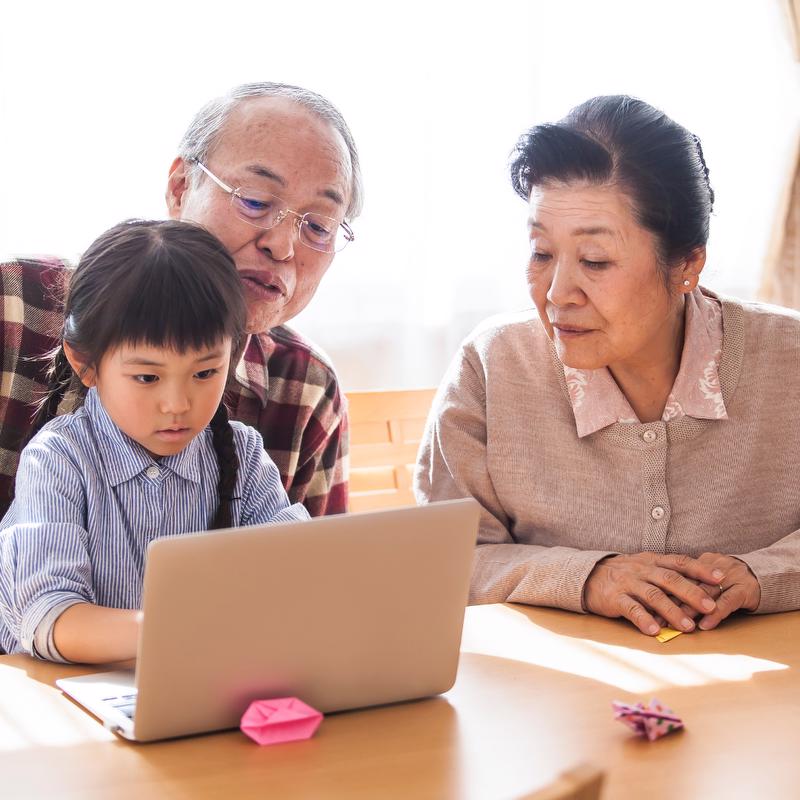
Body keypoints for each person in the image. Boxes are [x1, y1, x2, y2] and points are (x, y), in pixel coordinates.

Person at [415, 95, 800, 636]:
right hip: (556, 701)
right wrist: (586, 578)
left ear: (687, 264)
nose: (556, 293)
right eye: (541, 252)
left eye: (595, 261)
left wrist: (766, 574)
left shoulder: (790, 358)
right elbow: (442, 560)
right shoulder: (492, 365)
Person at [0, 81, 363, 518]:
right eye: (255, 200)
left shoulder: (306, 387)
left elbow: (322, 574)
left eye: (319, 226)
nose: (283, 246)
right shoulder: (14, 305)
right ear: (179, 188)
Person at [0, 220, 310, 664]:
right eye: (147, 377)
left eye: (205, 373)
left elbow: (299, 574)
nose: (177, 404)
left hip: (202, 692)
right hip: (72, 705)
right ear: (86, 364)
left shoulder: (244, 457)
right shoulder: (59, 460)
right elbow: (51, 616)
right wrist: (181, 631)